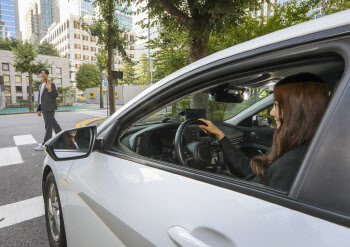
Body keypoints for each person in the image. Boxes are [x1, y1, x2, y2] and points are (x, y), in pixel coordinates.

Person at [199, 73, 329, 191]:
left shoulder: (290, 165)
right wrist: (221, 135)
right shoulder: (299, 146)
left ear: (297, 111)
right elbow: (252, 170)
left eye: (277, 105)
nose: (272, 113)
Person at [34, 69, 62, 151]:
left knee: (48, 127)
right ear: (39, 75)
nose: (43, 74)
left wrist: (50, 89)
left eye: (45, 73)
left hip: (49, 108)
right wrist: (39, 109)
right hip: (44, 108)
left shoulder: (51, 83)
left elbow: (56, 95)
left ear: (47, 75)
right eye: (41, 73)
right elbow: (40, 98)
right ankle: (63, 138)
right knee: (54, 125)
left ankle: (45, 145)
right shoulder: (40, 85)